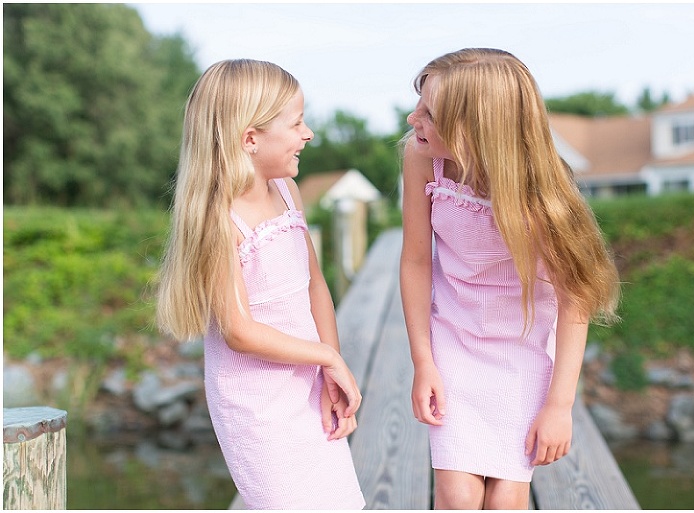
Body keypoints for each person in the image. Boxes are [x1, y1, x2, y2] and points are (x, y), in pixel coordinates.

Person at [399, 48, 620, 510]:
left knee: (506, 499)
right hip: (455, 338)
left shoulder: (543, 191)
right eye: (418, 103)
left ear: (474, 128)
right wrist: (424, 361)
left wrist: (559, 407)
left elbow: (576, 300)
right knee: (457, 496)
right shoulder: (422, 160)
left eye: (429, 114)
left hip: (523, 346)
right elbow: (417, 262)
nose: (412, 117)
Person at [155, 59, 365, 510]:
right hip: (257, 405)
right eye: (296, 123)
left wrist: (330, 369)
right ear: (250, 139)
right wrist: (325, 355)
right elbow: (238, 330)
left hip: (306, 382)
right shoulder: (219, 218)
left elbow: (315, 288)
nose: (307, 133)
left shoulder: (288, 193)